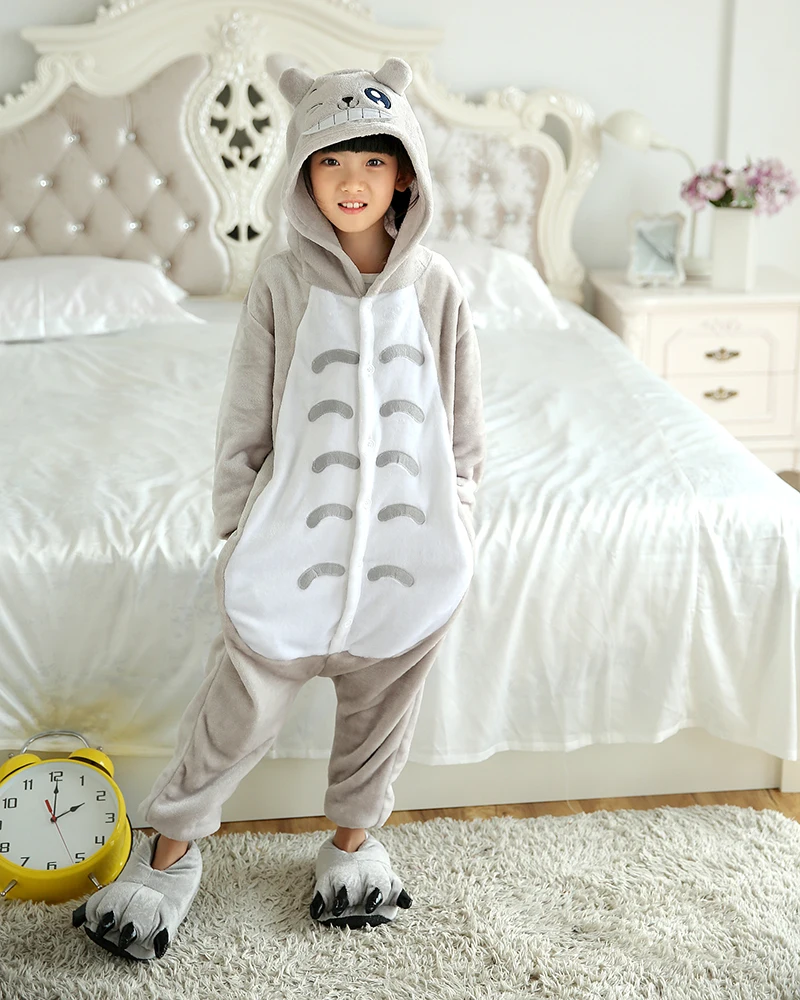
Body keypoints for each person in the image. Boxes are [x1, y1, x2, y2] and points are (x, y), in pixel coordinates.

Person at [72, 55, 485, 962]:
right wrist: (237, 520)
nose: (351, 180)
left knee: (383, 713)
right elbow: (246, 410)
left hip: (411, 550)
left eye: (372, 160)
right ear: (302, 173)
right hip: (291, 539)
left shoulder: (439, 286)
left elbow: (463, 421)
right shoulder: (282, 280)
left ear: (405, 173)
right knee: (237, 707)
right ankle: (168, 854)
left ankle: (352, 847)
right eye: (330, 161)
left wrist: (459, 508)